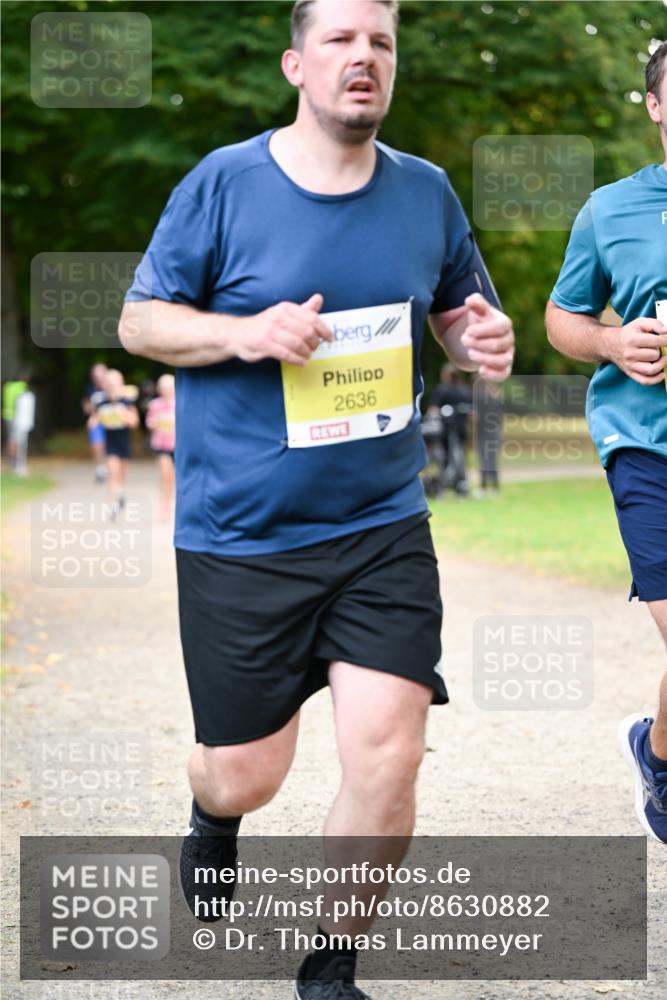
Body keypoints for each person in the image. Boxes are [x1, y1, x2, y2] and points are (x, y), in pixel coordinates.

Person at [119, 2, 515, 995]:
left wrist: (480, 346)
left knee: (389, 748)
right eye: (340, 39)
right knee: (246, 769)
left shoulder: (424, 193)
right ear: (298, 64)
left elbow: (461, 316)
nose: (363, 57)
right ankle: (214, 817)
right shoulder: (224, 182)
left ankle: (330, 966)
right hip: (242, 534)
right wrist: (243, 334)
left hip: (380, 524)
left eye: (379, 41)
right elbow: (139, 322)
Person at [546, 41, 667, 844]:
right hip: (645, 445)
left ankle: (653, 752)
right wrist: (615, 345)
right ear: (655, 106)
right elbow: (562, 318)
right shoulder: (610, 210)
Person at [88, 368, 139, 519]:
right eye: (109, 384)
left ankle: (120, 495)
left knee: (121, 475)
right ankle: (112, 505)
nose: (112, 387)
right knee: (112, 472)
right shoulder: (101, 403)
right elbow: (93, 421)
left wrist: (122, 415)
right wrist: (95, 422)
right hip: (109, 443)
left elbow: (134, 422)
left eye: (115, 384)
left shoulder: (127, 402)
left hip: (124, 442)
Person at [426, 362, 472, 496]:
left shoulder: (442, 389)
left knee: (444, 458)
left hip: (445, 431)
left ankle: (445, 484)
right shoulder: (465, 390)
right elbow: (471, 414)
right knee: (461, 457)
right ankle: (461, 483)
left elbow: (433, 410)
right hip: (462, 430)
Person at [146, 373, 176, 521]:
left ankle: (169, 503)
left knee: (172, 477)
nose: (166, 390)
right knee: (165, 474)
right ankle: (163, 503)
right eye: (163, 387)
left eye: (169, 387)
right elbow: (149, 423)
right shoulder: (155, 404)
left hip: (177, 445)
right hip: (161, 444)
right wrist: (156, 422)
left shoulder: (180, 403)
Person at [472, 375, 503, 497]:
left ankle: (483, 487)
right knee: (492, 459)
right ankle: (495, 487)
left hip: (483, 432)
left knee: (484, 460)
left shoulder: (479, 397)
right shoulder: (495, 397)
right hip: (495, 431)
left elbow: (475, 417)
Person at [81, 363, 108, 483]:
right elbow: (86, 407)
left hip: (110, 421)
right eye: (96, 374)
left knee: (108, 446)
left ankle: (109, 467)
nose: (98, 377)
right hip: (96, 420)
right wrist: (90, 408)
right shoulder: (89, 389)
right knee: (97, 445)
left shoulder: (110, 387)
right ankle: (100, 468)